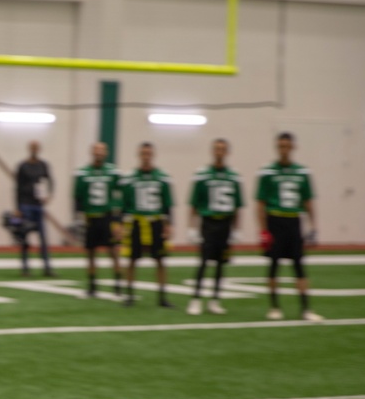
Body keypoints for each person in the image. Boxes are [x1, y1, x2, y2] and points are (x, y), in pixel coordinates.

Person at [256, 132, 322, 321]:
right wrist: (263, 230)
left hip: (294, 221)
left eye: (286, 146)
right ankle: (274, 306)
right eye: (280, 146)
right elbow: (260, 204)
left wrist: (314, 227)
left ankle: (306, 309)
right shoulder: (268, 171)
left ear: (293, 147)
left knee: (299, 266)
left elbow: (308, 202)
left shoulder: (302, 172)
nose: (283, 149)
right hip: (275, 220)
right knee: (274, 266)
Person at [186, 139, 243, 316]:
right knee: (203, 262)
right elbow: (194, 204)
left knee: (221, 265)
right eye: (217, 149)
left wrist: (237, 229)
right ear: (212, 151)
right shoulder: (203, 174)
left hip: (225, 223)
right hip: (208, 223)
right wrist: (192, 227)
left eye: (223, 149)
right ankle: (195, 299)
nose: (219, 152)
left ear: (227, 152)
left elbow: (237, 206)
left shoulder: (233, 176)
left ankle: (215, 300)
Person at [119, 142, 174, 308]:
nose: (146, 156)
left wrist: (169, 224)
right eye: (143, 153)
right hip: (136, 221)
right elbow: (124, 204)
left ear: (153, 155)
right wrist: (122, 224)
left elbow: (167, 203)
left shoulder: (162, 176)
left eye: (149, 153)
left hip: (155, 221)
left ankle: (162, 297)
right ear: (139, 155)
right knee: (132, 260)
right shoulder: (130, 177)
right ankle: (129, 295)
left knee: (160, 260)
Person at [73, 142, 122, 297]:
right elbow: (77, 197)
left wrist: (118, 220)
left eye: (102, 151)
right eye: (96, 150)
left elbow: (120, 194)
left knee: (113, 251)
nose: (99, 153)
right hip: (90, 217)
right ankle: (92, 285)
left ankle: (118, 284)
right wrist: (78, 217)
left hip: (107, 216)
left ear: (106, 153)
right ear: (91, 152)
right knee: (91, 253)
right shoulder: (83, 173)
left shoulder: (113, 172)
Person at [14, 141, 55, 276]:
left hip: (38, 205)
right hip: (26, 204)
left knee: (43, 237)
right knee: (25, 236)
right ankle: (25, 268)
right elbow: (17, 188)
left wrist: (48, 195)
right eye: (32, 147)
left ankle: (47, 267)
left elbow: (50, 181)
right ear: (29, 149)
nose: (34, 149)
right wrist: (18, 207)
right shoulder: (23, 166)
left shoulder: (43, 165)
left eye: (36, 147)